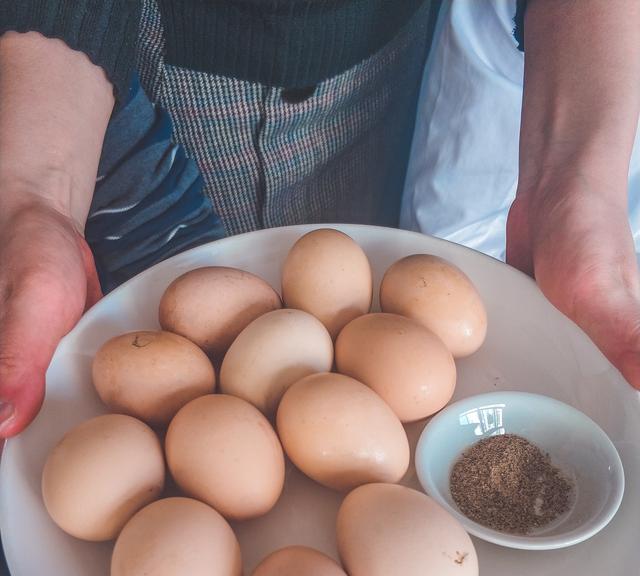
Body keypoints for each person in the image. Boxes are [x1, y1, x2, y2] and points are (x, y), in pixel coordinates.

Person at [0, 0, 639, 443]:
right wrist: (38, 195)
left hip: (388, 53)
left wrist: (571, 180)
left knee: (355, 254)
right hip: (141, 66)